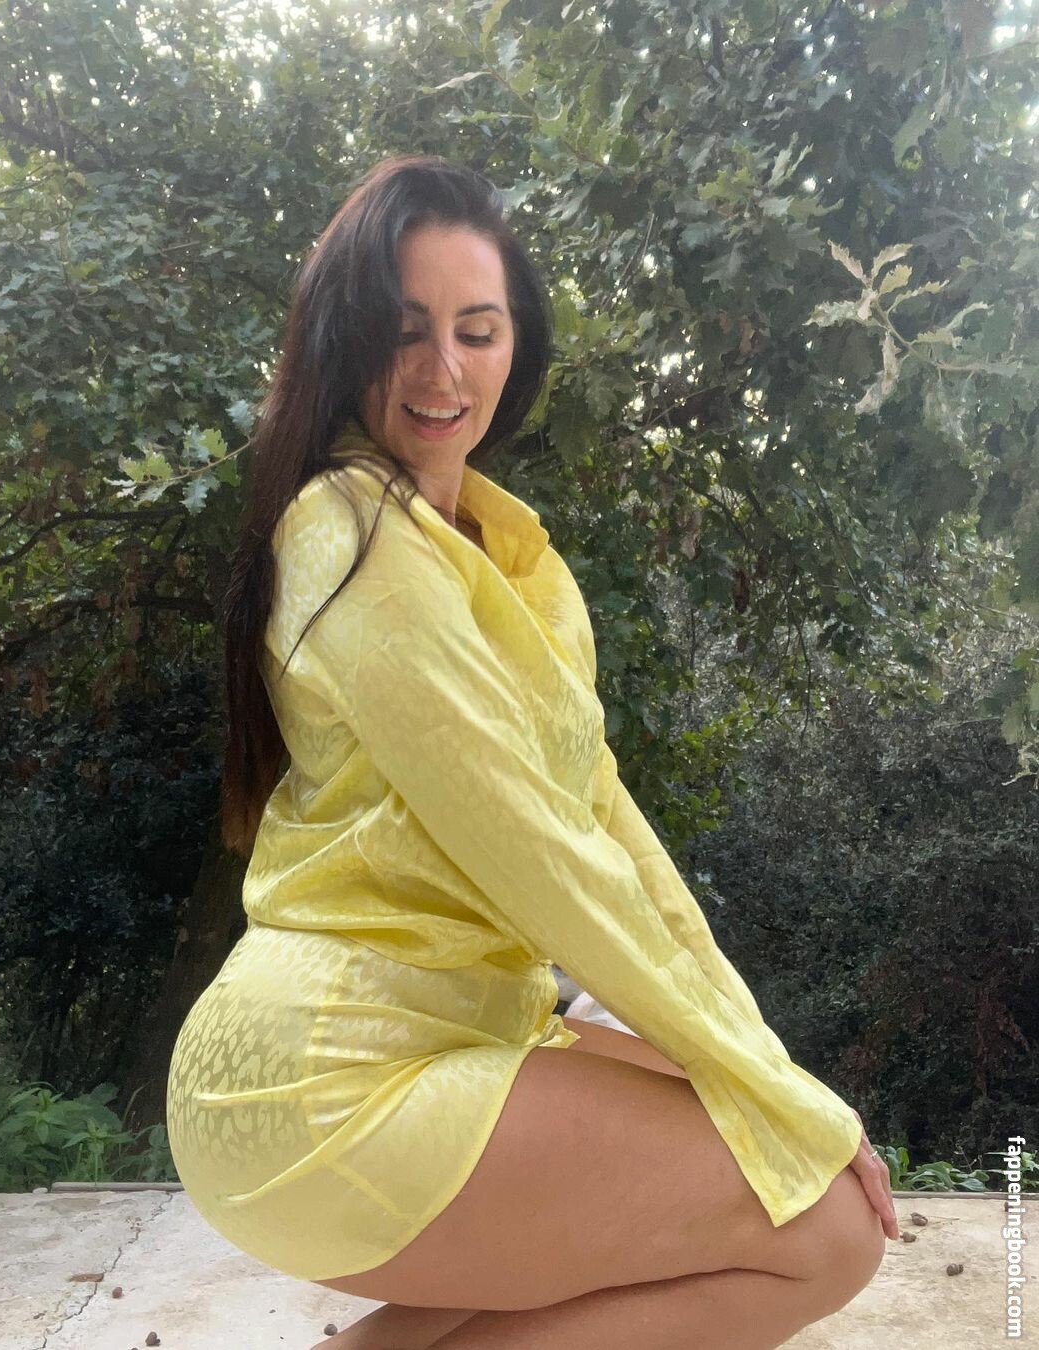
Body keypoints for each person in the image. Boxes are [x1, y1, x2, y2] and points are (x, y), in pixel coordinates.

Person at [166, 154, 898, 1350]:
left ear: (517, 346)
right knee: (824, 1228)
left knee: (741, 1144)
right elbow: (534, 845)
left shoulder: (516, 558)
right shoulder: (347, 529)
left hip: (463, 1037)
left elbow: (607, 822)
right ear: (347, 338)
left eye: (477, 329)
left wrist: (759, 1061)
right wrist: (775, 1091)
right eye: (404, 329)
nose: (442, 370)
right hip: (328, 1073)